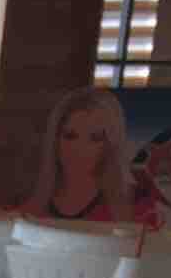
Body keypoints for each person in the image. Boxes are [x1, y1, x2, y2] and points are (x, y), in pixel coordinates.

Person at [25, 84, 157, 225]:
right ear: (55, 139)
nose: (79, 149)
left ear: (110, 144)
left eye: (95, 138)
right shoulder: (29, 204)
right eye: (70, 136)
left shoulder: (138, 204)